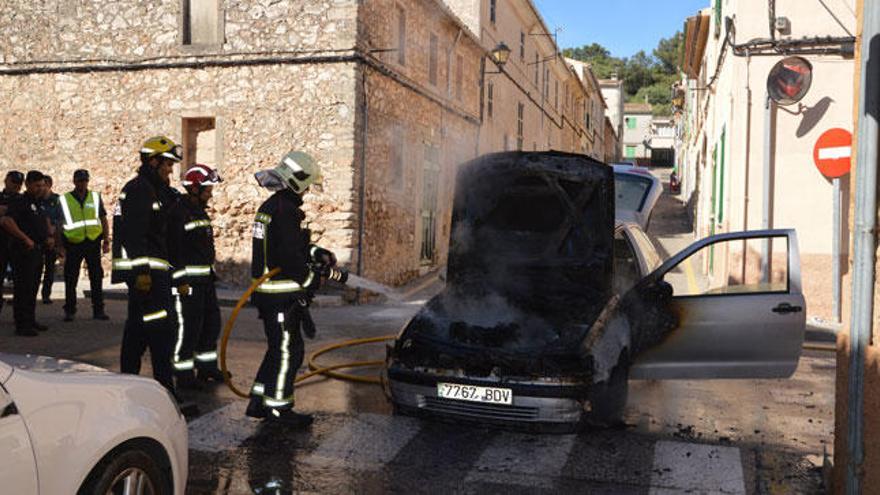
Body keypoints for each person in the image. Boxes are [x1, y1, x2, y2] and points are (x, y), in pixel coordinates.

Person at [246, 150, 338, 427]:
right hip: (280, 295)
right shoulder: (285, 211)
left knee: (277, 349)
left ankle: (259, 400)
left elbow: (290, 247)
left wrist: (316, 251)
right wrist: (312, 280)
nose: (309, 190)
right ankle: (279, 410)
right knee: (289, 351)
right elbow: (288, 257)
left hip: (271, 294)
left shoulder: (275, 206)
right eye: (307, 184)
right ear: (298, 180)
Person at [112, 136, 182, 392]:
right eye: (167, 164)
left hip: (156, 273)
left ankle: (128, 381)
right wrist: (142, 272)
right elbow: (135, 236)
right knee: (160, 330)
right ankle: (165, 389)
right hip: (147, 276)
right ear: (153, 161)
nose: (170, 170)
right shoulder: (139, 189)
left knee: (140, 328)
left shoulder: (156, 190)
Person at [167, 165, 225, 389]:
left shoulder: (198, 210)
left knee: (211, 325)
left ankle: (206, 368)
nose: (210, 193)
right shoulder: (178, 213)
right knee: (188, 328)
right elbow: (174, 250)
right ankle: (183, 375)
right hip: (186, 283)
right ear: (194, 188)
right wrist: (179, 281)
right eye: (208, 188)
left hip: (205, 280)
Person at [1, 171, 53, 336]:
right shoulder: (20, 201)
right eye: (37, 185)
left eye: (42, 185)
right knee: (23, 289)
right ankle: (22, 324)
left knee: (32, 288)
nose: (40, 188)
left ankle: (30, 320)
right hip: (23, 251)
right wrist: (25, 239)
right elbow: (6, 221)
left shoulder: (38, 203)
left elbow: (42, 222)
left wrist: (48, 237)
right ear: (28, 185)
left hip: (38, 251)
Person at [59, 169, 110, 321]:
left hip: (92, 242)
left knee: (96, 277)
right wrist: (59, 246)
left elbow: (103, 218)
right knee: (71, 278)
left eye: (85, 181)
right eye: (80, 180)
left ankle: (98, 310)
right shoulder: (65, 199)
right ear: (74, 181)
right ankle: (70, 310)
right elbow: (58, 223)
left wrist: (106, 239)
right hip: (73, 243)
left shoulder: (95, 197)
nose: (83, 183)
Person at [0, 171, 24, 313]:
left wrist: (7, 211)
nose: (16, 186)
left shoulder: (23, 200)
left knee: (21, 282)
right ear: (6, 181)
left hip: (17, 245)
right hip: (1, 244)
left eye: (18, 183)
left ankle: (21, 315)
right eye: (13, 182)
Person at [39, 175, 62, 305]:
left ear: (49, 185)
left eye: (43, 185)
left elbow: (61, 219)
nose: (41, 188)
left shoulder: (57, 200)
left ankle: (46, 295)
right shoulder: (37, 200)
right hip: (39, 238)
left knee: (49, 268)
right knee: (35, 268)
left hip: (53, 239)